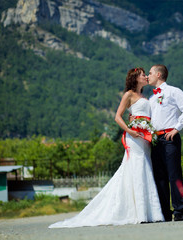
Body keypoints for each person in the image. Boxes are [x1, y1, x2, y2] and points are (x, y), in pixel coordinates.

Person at [48, 67, 164, 228]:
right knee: (136, 168)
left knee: (145, 168)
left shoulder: (145, 96)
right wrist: (130, 130)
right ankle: (140, 213)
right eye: (143, 75)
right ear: (135, 78)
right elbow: (117, 116)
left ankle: (150, 212)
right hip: (134, 138)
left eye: (146, 74)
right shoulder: (129, 95)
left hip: (145, 138)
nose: (145, 77)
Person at [147, 64, 183, 222]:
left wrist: (176, 129)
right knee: (159, 177)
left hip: (170, 138)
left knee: (174, 175)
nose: (148, 75)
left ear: (159, 75)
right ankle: (165, 212)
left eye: (150, 73)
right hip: (155, 140)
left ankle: (179, 210)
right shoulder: (151, 98)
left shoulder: (174, 91)